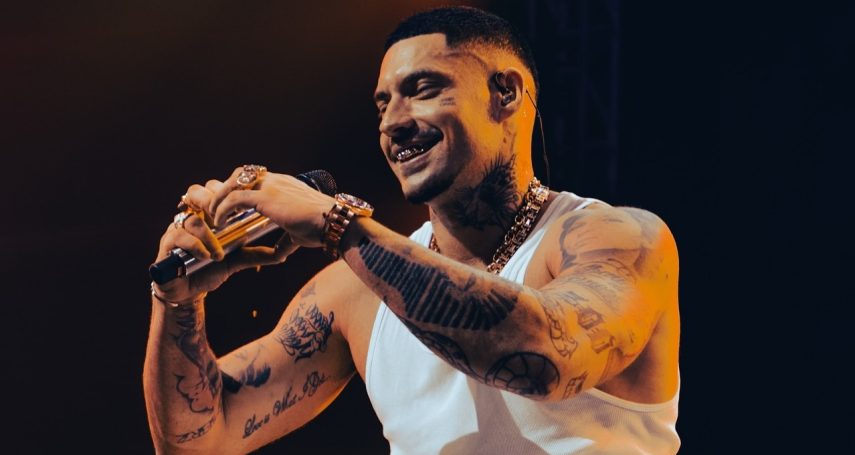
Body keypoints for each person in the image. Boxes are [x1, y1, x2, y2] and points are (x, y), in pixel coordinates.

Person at [144, 6, 681, 454]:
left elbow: (544, 361)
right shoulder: (352, 291)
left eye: (421, 89)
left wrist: (337, 225)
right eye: (383, 104)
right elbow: (202, 439)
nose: (392, 123)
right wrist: (178, 301)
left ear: (506, 93)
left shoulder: (616, 239)